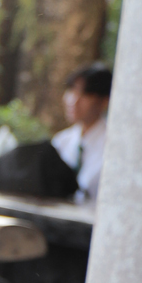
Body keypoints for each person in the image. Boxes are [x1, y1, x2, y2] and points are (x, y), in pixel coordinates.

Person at [51, 62, 112, 200]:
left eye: (85, 94)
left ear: (104, 101)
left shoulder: (113, 146)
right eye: (71, 91)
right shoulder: (61, 141)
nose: (74, 100)